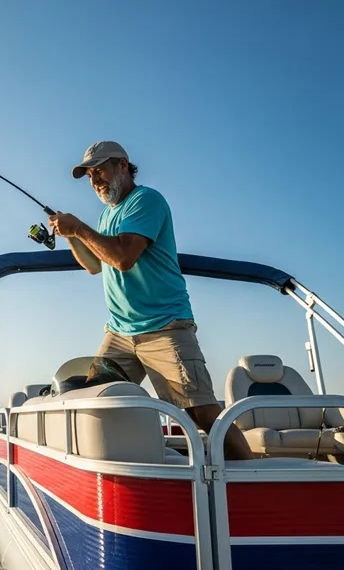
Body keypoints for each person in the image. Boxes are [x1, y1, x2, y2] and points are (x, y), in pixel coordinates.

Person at [48, 140, 253, 461]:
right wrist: (72, 235)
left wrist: (79, 227)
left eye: (100, 170)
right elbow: (93, 265)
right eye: (89, 175)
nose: (95, 180)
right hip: (119, 333)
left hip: (165, 327)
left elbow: (123, 257)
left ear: (123, 166)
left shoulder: (146, 200)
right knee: (95, 400)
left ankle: (250, 480)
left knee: (202, 413)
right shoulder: (105, 216)